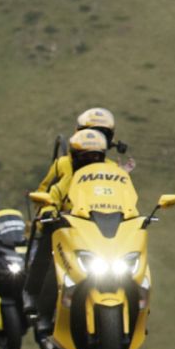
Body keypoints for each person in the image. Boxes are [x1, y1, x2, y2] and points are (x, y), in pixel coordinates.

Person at [25, 129, 112, 336]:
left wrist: (132, 216)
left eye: (96, 157)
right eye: (85, 157)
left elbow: (125, 198)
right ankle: (40, 307)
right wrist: (48, 212)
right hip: (66, 227)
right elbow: (49, 195)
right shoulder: (65, 175)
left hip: (100, 230)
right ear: (74, 157)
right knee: (54, 257)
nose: (91, 162)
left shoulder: (112, 173)